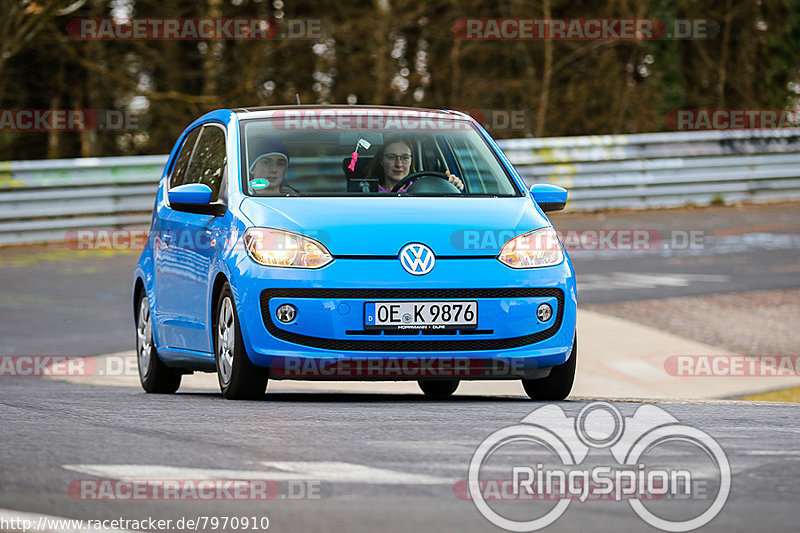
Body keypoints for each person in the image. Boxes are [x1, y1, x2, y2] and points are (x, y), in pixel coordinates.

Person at [367, 134, 464, 193]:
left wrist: (452, 186)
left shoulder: (428, 189)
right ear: (381, 160)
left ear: (411, 160)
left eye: (405, 157)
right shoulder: (367, 191)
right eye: (391, 157)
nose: (399, 164)